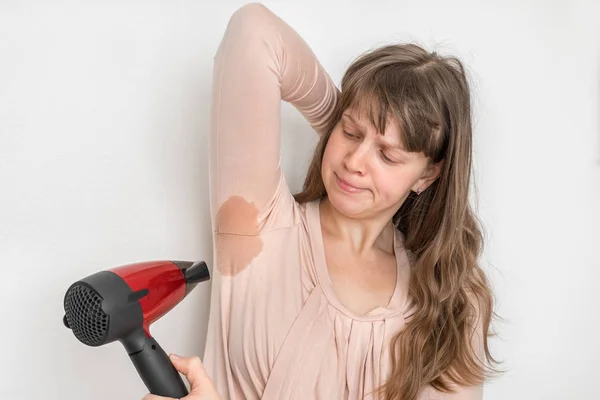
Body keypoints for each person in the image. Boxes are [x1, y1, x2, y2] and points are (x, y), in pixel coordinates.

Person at [143, 3, 498, 400]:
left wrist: (364, 120)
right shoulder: (260, 223)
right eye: (350, 131)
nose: (353, 162)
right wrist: (344, 114)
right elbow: (254, 31)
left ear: (428, 174)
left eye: (388, 154)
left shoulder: (450, 301)